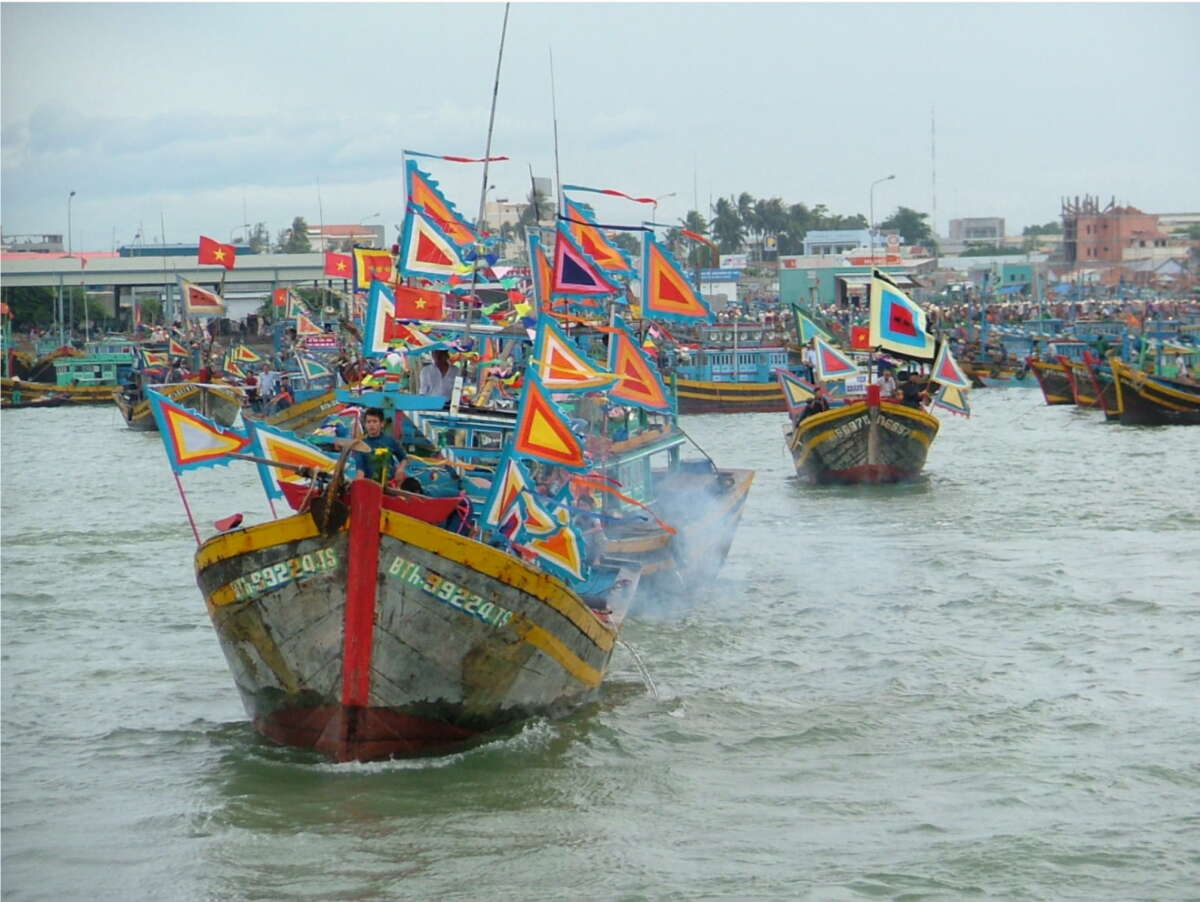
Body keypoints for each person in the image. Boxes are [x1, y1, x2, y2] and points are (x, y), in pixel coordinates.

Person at [353, 407, 409, 486]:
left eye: (375, 421)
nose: (371, 425)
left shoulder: (390, 440)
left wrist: (400, 469)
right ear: (364, 425)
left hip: (390, 485)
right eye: (368, 422)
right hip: (371, 486)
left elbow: (404, 458)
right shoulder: (361, 446)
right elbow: (360, 471)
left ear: (382, 424)